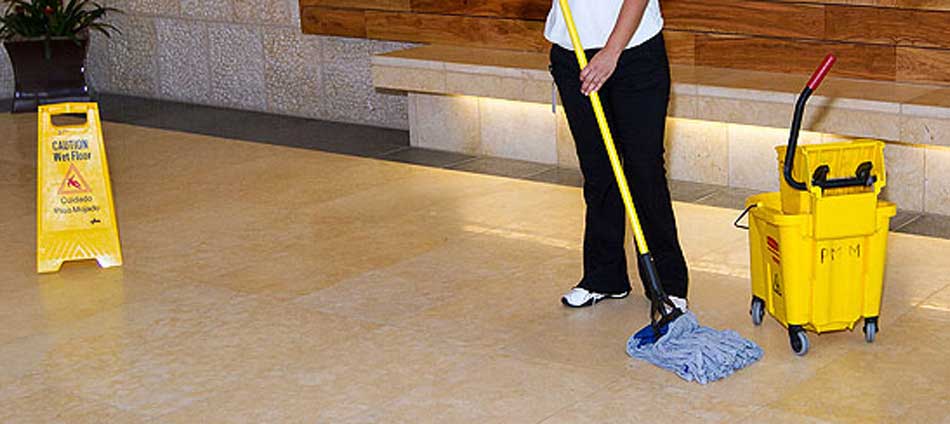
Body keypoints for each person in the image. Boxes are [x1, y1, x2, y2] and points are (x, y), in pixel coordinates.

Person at [545, 0, 689, 310]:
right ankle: (604, 277)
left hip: (635, 53)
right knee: (599, 172)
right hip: (573, 54)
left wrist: (611, 52)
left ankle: (667, 284)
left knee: (644, 172)